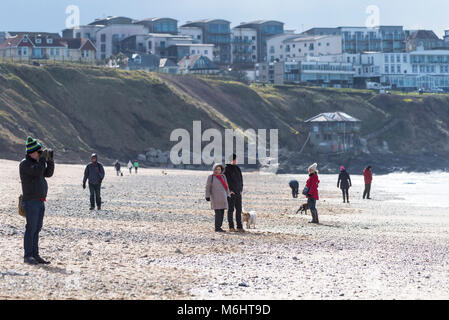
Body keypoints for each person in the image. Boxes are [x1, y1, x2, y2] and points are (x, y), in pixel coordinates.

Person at [19, 136, 54, 265]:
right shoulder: (25, 164)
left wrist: (50, 161)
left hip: (40, 201)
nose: (40, 154)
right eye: (39, 152)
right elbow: (37, 172)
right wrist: (43, 159)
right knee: (31, 228)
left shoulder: (36, 164)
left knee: (37, 228)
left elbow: (48, 173)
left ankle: (35, 254)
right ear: (32, 152)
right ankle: (28, 256)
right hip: (31, 201)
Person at [205, 164, 231, 233]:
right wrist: (207, 196)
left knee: (222, 212)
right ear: (214, 169)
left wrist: (228, 195)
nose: (217, 171)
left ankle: (220, 227)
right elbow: (208, 187)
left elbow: (226, 186)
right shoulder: (211, 177)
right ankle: (217, 227)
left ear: (221, 170)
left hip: (223, 197)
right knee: (217, 213)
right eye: (216, 169)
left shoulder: (223, 176)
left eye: (219, 169)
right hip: (215, 197)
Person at [224, 154, 244, 232]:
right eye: (235, 159)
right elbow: (226, 181)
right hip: (231, 193)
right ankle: (231, 227)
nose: (236, 161)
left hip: (238, 192)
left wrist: (241, 190)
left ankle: (239, 226)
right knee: (231, 210)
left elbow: (241, 180)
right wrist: (230, 190)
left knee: (239, 210)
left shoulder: (238, 168)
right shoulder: (226, 169)